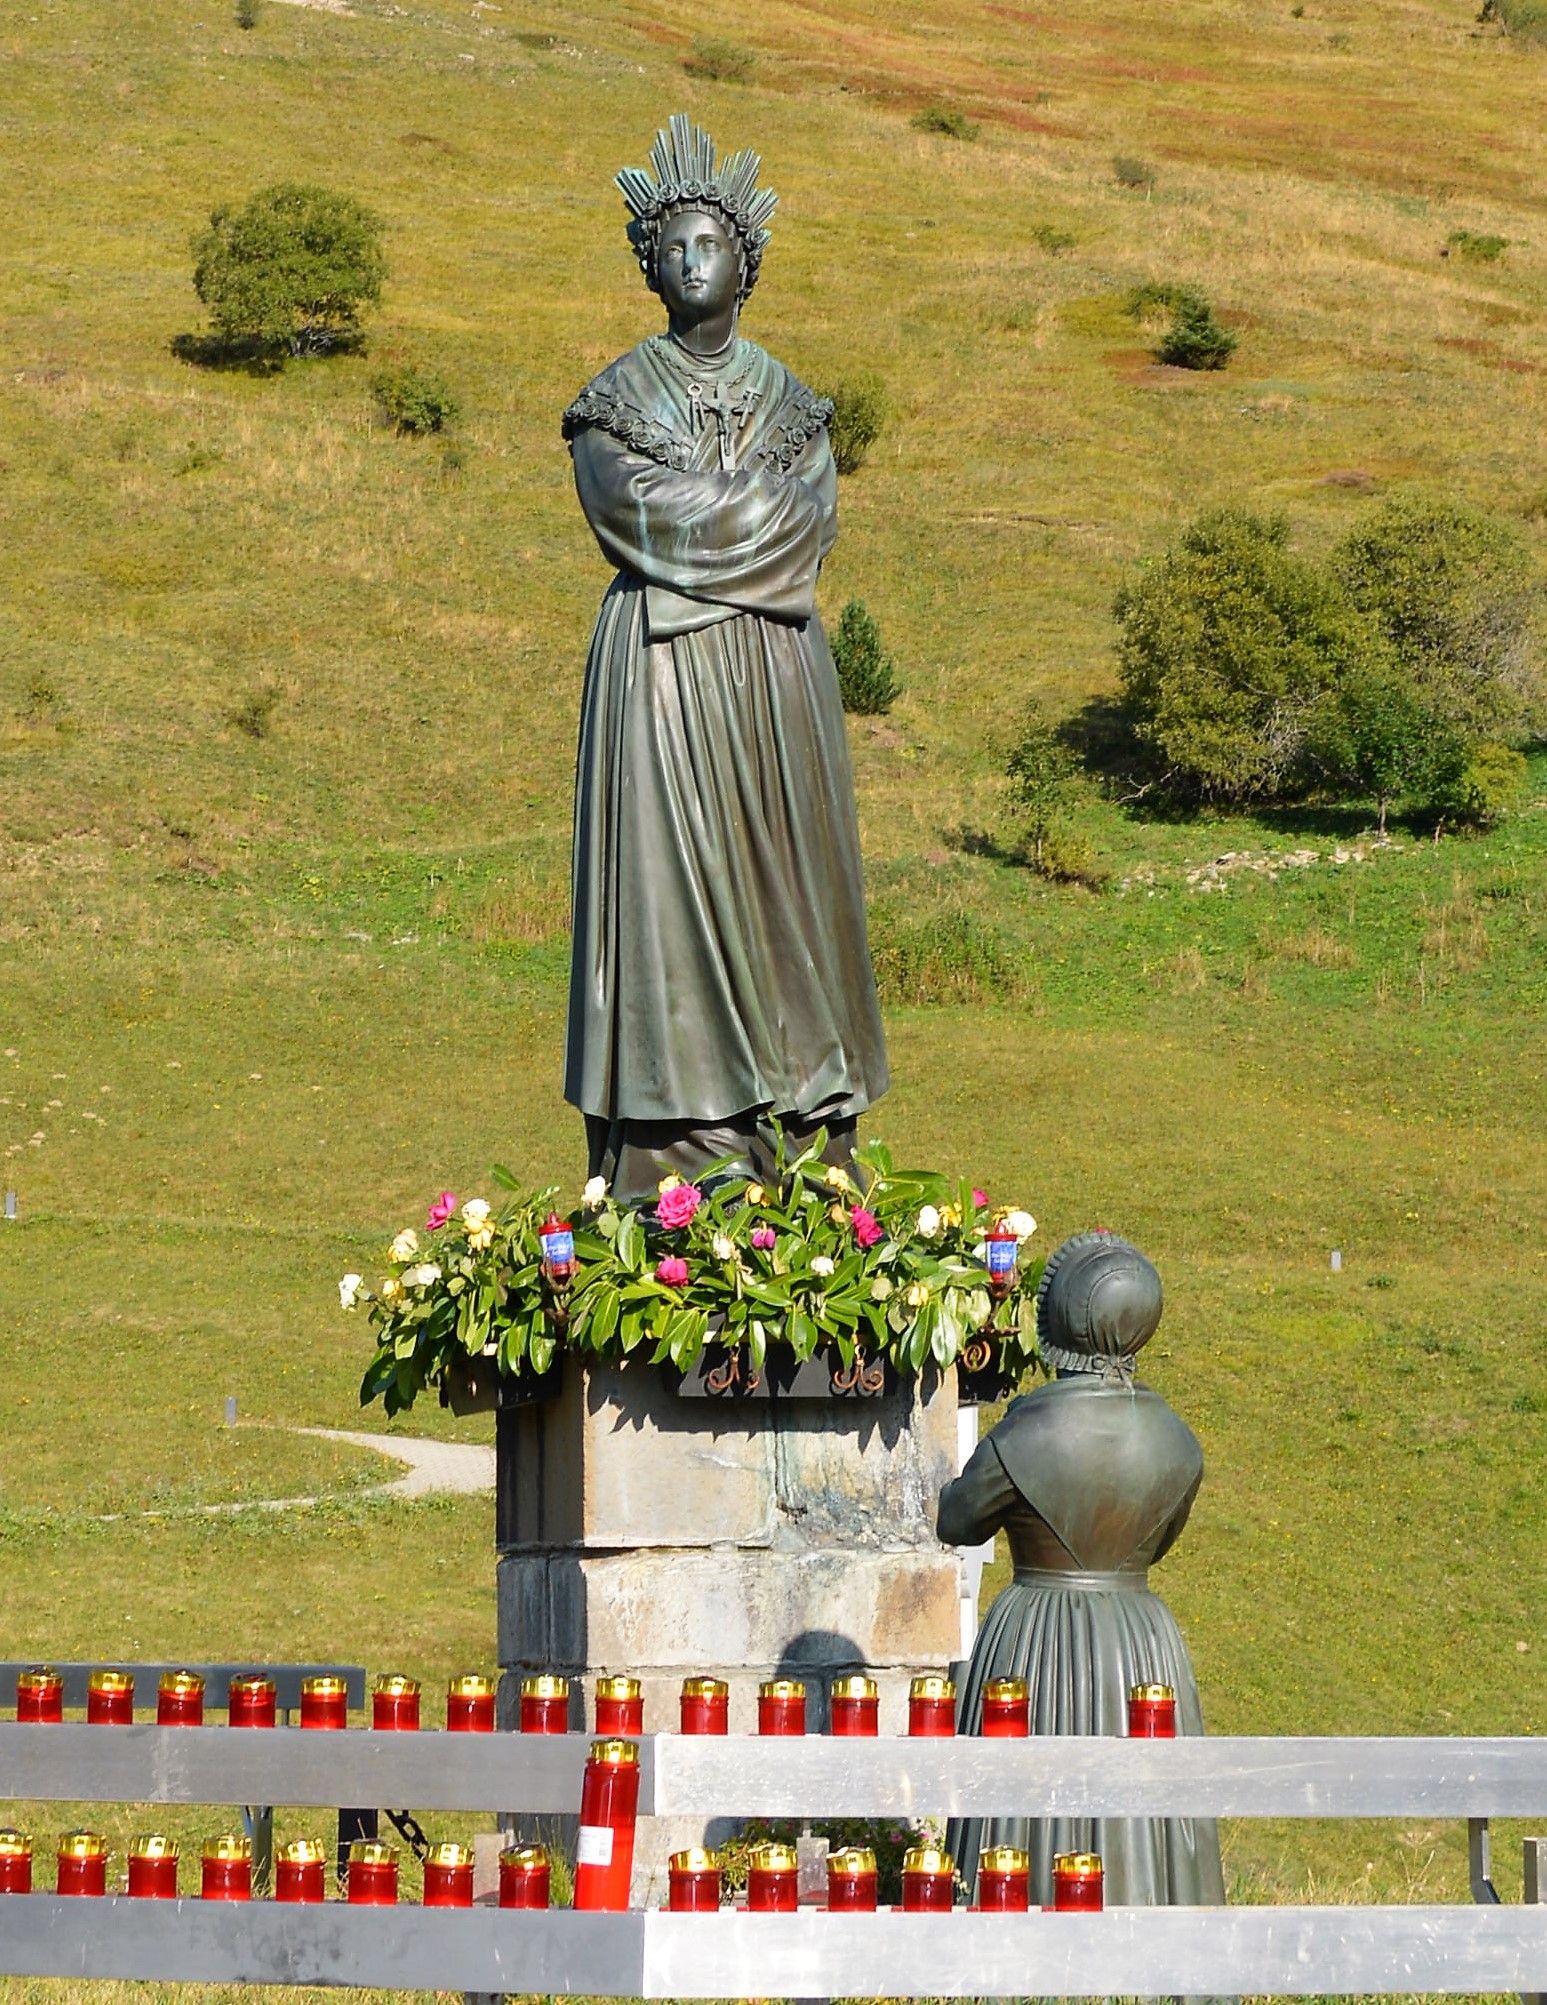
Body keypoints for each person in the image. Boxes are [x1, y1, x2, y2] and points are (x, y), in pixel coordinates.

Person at [562, 115, 888, 1204]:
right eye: (670, 249)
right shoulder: (613, 402)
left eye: (707, 245)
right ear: (650, 268)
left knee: (783, 886)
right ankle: (677, 1148)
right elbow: (629, 511)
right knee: (666, 890)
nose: (689, 262)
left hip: (773, 682)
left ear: (743, 264)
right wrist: (756, 516)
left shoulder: (794, 404)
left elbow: (816, 524)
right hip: (657, 686)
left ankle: (797, 1128)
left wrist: (718, 540)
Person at [938, 1232, 1225, 1906]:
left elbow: (957, 1521)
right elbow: (1160, 1540)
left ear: (1059, 1320)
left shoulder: (1022, 1432)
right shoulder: (1176, 1439)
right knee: (1145, 1810)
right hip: (1139, 1639)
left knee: (1018, 1809)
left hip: (1032, 1634)